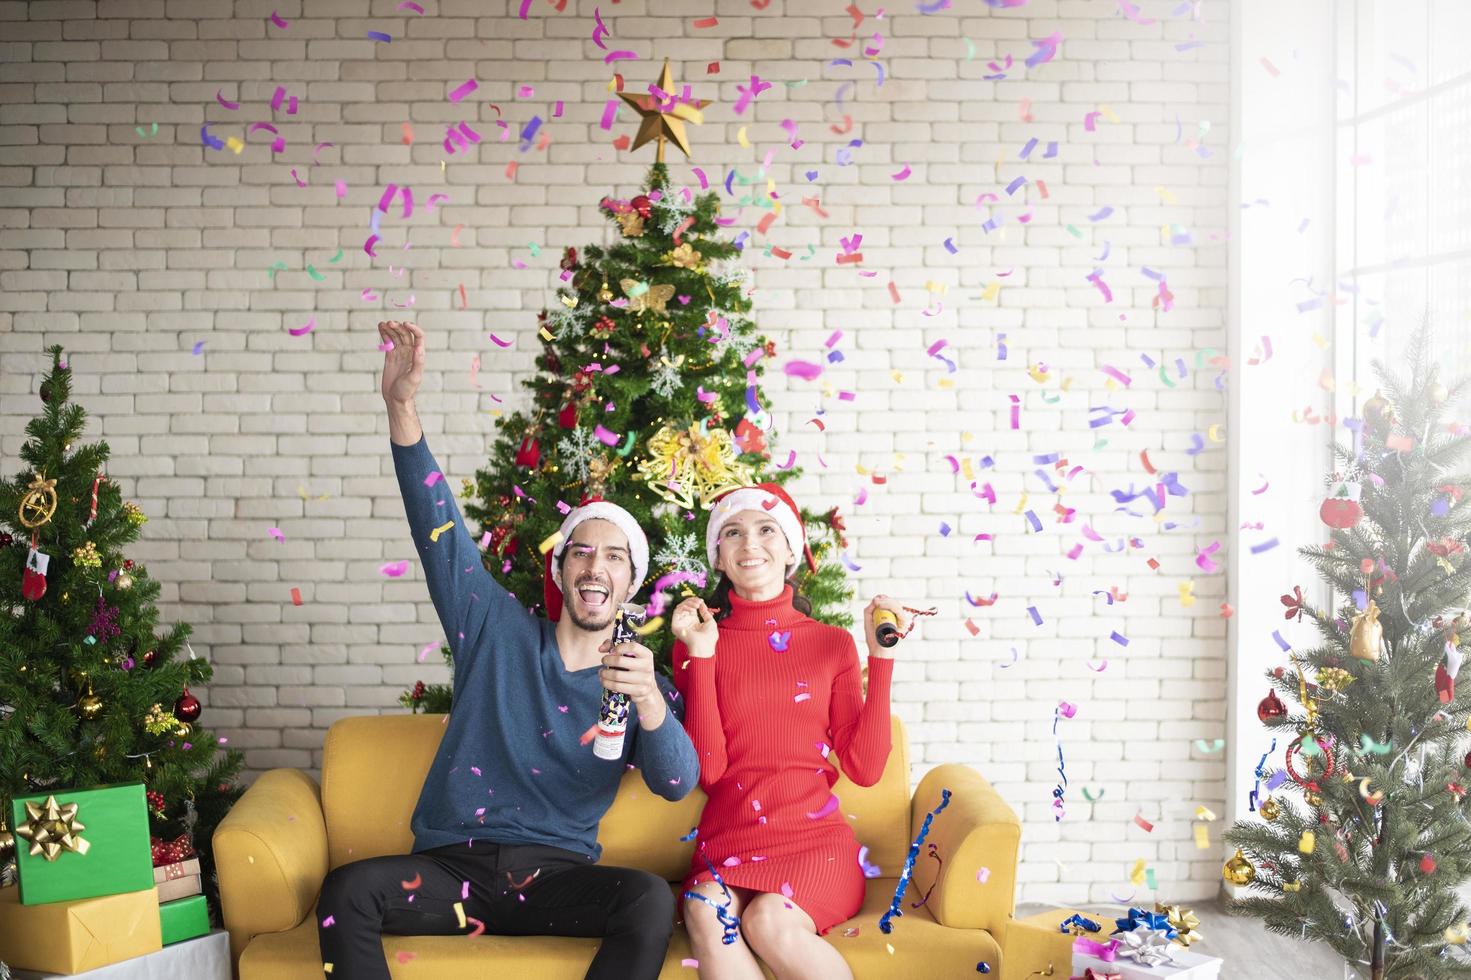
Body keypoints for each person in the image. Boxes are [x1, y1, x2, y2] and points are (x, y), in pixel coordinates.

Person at [315, 320, 699, 980]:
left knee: (643, 899)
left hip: (555, 879)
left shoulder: (638, 677)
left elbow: (675, 783)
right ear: (561, 572)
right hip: (449, 870)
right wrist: (400, 407)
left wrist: (650, 706)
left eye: (613, 557)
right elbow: (439, 533)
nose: (594, 567)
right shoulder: (493, 628)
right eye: (581, 551)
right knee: (346, 892)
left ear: (630, 584)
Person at [669, 483, 912, 980]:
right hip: (729, 839)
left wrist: (881, 660)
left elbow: (865, 770)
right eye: (732, 533)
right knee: (701, 908)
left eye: (765, 530)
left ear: (792, 549)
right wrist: (702, 654)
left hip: (813, 845)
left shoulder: (831, 644)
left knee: (768, 922)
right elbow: (710, 771)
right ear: (718, 557)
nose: (749, 544)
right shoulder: (698, 641)